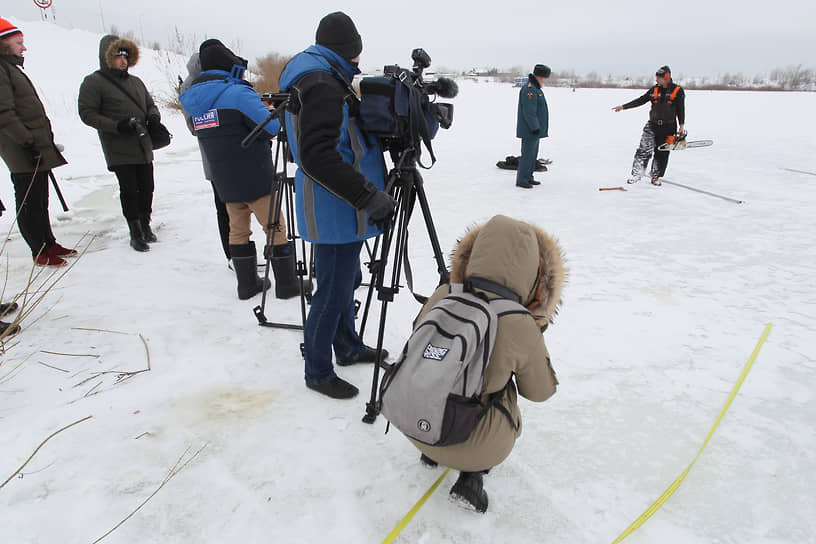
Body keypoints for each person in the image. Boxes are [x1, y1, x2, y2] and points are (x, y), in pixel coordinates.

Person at [407, 214, 565, 513]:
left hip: (413, 423)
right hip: (474, 445)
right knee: (502, 389)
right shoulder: (518, 322)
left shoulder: (444, 293)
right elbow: (539, 392)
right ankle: (472, 477)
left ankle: (431, 454)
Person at [279, 12, 395, 399]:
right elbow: (316, 156)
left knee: (346, 281)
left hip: (340, 205)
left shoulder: (320, 75)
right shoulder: (322, 83)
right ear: (350, 51)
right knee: (331, 290)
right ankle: (317, 371)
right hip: (333, 206)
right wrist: (367, 196)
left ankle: (347, 346)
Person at [179, 39, 300, 300]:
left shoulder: (192, 99)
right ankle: (288, 285)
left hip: (223, 176)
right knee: (274, 225)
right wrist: (271, 111)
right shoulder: (238, 93)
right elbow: (270, 128)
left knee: (237, 228)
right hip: (253, 172)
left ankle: (246, 285)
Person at [0, 17, 76, 267]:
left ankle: (48, 242)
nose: (24, 48)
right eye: (18, 42)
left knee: (40, 198)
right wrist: (27, 141)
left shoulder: (10, 68)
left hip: (33, 145)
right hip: (20, 148)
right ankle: (39, 250)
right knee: (29, 200)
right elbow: (4, 113)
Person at [78, 35, 162, 251]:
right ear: (107, 57)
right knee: (129, 190)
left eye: (125, 56)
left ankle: (145, 225)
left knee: (147, 187)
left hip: (142, 144)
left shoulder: (136, 82)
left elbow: (151, 104)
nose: (122, 61)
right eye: (117, 56)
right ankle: (135, 232)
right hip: (119, 146)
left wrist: (153, 116)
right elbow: (87, 113)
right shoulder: (94, 82)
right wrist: (117, 125)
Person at [179, 52, 231, 265]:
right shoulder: (191, 89)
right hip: (216, 157)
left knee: (232, 208)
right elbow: (194, 127)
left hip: (226, 157)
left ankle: (238, 254)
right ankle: (233, 255)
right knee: (225, 207)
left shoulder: (222, 81)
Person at [613, 65, 685, 186]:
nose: (656, 80)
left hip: (668, 127)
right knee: (643, 150)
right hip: (652, 126)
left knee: (662, 152)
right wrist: (624, 107)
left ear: (666, 77)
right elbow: (641, 100)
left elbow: (680, 109)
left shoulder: (677, 91)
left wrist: (681, 126)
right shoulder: (654, 90)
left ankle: (655, 176)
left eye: (659, 78)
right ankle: (637, 174)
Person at [515, 64, 550, 189]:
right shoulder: (530, 89)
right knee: (527, 155)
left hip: (535, 130)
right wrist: (535, 127)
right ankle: (522, 179)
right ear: (539, 76)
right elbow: (529, 111)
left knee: (532, 155)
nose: (544, 80)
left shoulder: (536, 88)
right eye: (544, 77)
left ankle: (529, 177)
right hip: (530, 129)